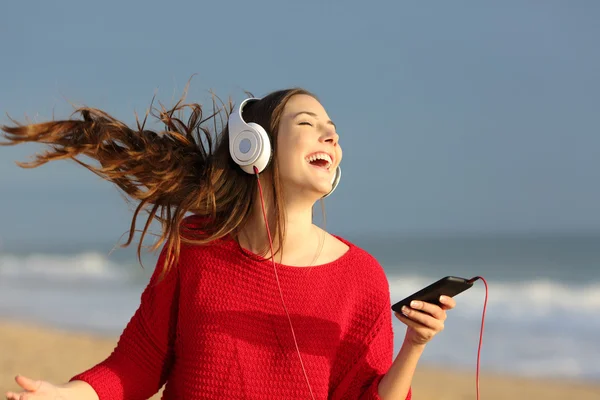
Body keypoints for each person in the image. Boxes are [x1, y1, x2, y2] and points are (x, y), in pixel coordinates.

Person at [2, 87, 456, 400]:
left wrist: (414, 343)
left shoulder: (361, 277)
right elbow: (140, 359)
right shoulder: (197, 245)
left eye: (332, 129)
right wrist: (74, 394)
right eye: (308, 123)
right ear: (254, 148)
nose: (330, 136)